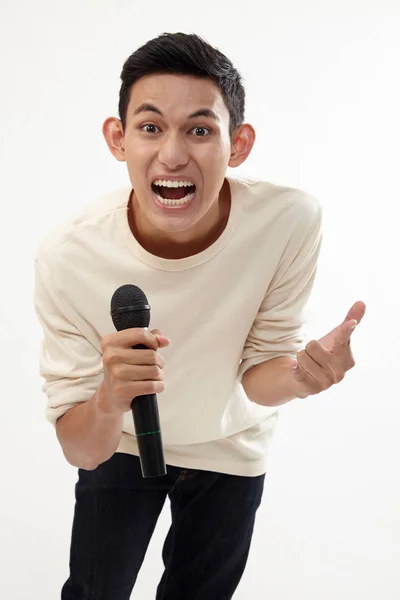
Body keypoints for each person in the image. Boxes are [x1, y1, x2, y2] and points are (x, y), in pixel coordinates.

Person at [34, 32, 366, 600]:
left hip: (229, 443)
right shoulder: (69, 256)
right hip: (121, 440)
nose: (173, 154)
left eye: (199, 129)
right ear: (118, 138)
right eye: (150, 126)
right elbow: (80, 448)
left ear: (238, 143)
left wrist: (300, 377)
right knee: (93, 590)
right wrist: (112, 397)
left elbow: (262, 374)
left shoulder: (289, 221)